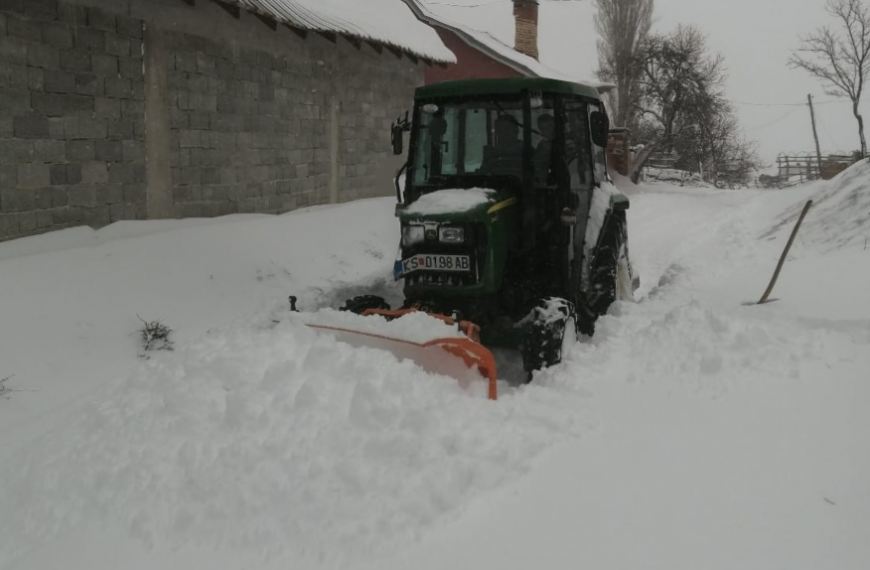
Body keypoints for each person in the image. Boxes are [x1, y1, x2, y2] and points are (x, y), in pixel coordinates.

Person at [534, 113, 555, 184]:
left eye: (550, 126)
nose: (546, 131)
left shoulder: (566, 143)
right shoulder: (541, 145)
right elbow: (537, 164)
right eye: (543, 129)